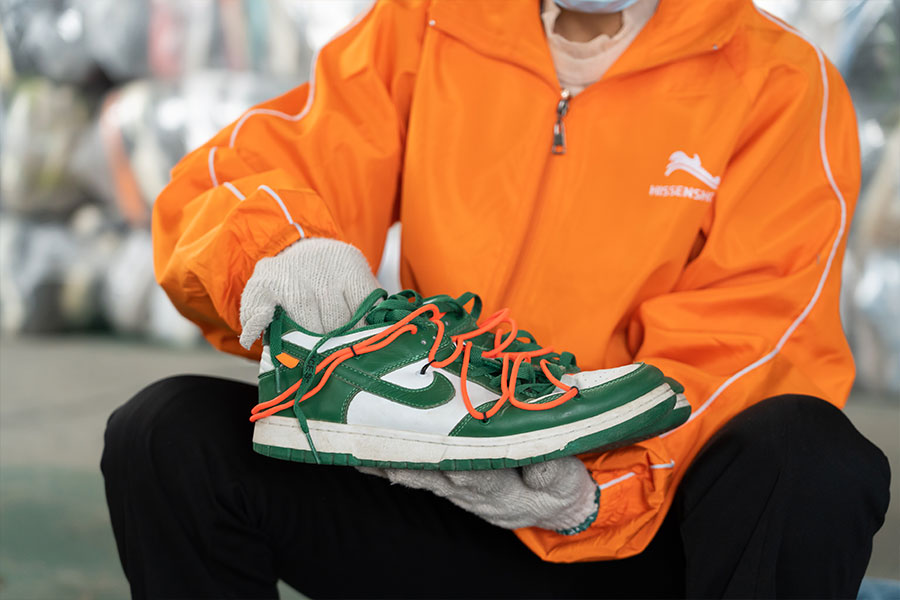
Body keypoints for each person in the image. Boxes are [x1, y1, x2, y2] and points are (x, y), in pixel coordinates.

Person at [101, 0, 891, 597]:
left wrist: (592, 497)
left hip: (640, 541)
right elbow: (251, 169)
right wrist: (284, 250)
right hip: (436, 497)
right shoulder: (434, 24)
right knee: (166, 435)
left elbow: (751, 345)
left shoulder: (778, 85)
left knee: (812, 458)